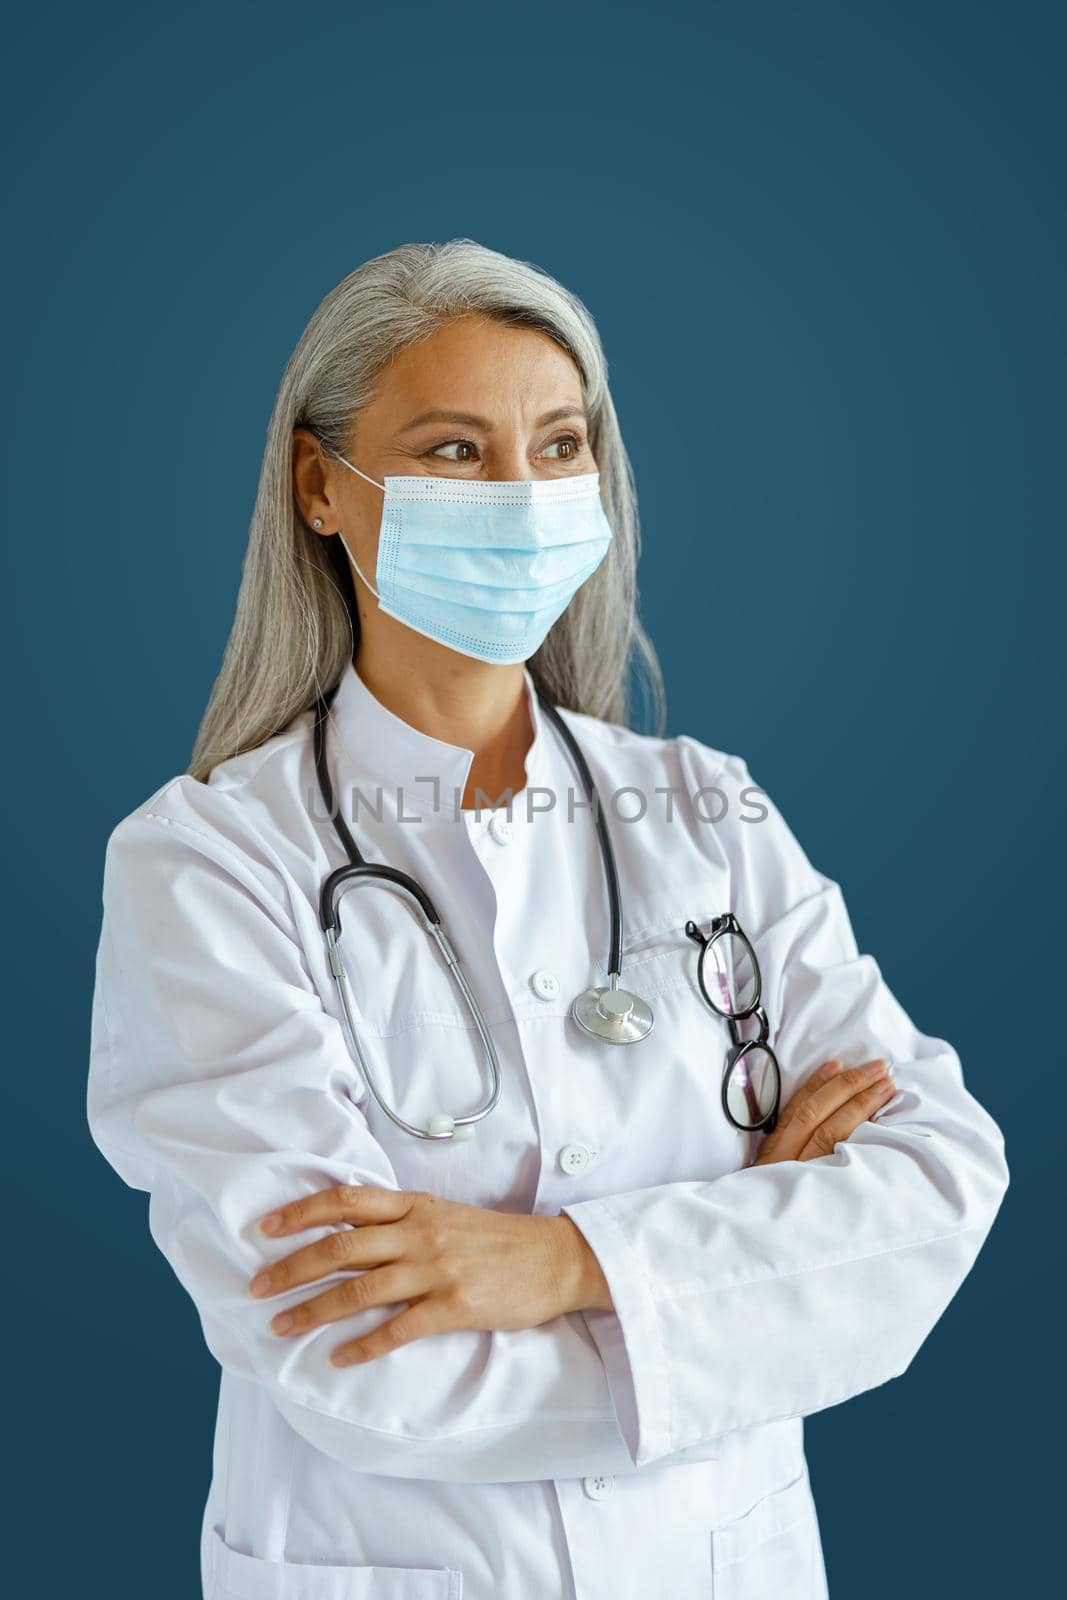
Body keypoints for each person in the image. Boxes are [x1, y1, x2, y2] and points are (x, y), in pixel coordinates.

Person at [87, 238, 1009, 1600]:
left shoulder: (705, 810)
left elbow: (936, 1193)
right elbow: (357, 1362)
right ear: (320, 485)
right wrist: (746, 1262)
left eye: (559, 443)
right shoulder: (213, 860)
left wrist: (567, 1263)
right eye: (456, 452)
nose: (521, 497)